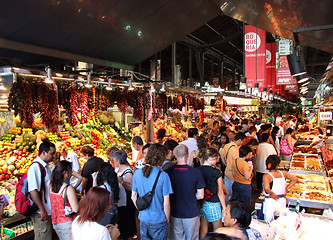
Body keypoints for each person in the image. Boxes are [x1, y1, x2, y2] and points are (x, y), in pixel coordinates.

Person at [131, 143, 173, 240]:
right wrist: (166, 219)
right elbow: (166, 202)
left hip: (143, 219)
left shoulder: (137, 173)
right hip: (159, 220)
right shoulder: (163, 176)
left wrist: (141, 209)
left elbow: (133, 197)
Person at [167, 144, 205, 240]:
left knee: (177, 237)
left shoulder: (169, 172)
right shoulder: (196, 172)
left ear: (175, 155)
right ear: (188, 155)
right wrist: (191, 196)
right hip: (191, 212)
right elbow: (201, 195)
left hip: (175, 212)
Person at [28, 140, 56, 240]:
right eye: (52, 153)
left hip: (47, 211)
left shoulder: (45, 166)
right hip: (41, 213)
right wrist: (42, 209)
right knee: (43, 236)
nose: (54, 156)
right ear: (44, 152)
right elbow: (33, 191)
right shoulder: (35, 167)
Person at [198, 148, 227, 239]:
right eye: (216, 158)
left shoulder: (198, 170)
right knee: (218, 229)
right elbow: (220, 191)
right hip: (213, 203)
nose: (218, 160)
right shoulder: (216, 172)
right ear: (210, 158)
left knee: (203, 227)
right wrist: (224, 207)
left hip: (201, 203)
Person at [49, 161, 79, 240]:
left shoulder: (51, 186)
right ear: (65, 172)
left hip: (56, 222)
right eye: (70, 170)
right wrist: (83, 200)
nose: (71, 172)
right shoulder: (68, 188)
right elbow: (75, 209)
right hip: (67, 222)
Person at [262, 155, 298, 222]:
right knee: (280, 222)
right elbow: (295, 179)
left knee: (269, 222)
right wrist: (286, 189)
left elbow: (266, 188)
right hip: (281, 201)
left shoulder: (267, 176)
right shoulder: (283, 173)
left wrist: (272, 193)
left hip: (271, 202)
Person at [113, 150, 137, 240]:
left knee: (128, 222)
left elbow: (131, 188)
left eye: (114, 161)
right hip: (121, 201)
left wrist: (122, 182)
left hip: (127, 202)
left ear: (118, 161)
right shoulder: (118, 169)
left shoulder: (128, 172)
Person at [220, 132, 246, 204]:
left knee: (227, 193)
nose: (243, 143)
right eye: (243, 141)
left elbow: (221, 155)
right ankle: (231, 208)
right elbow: (236, 164)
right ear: (240, 140)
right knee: (233, 194)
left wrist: (225, 163)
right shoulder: (235, 150)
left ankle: (225, 206)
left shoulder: (227, 145)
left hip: (227, 172)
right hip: (232, 175)